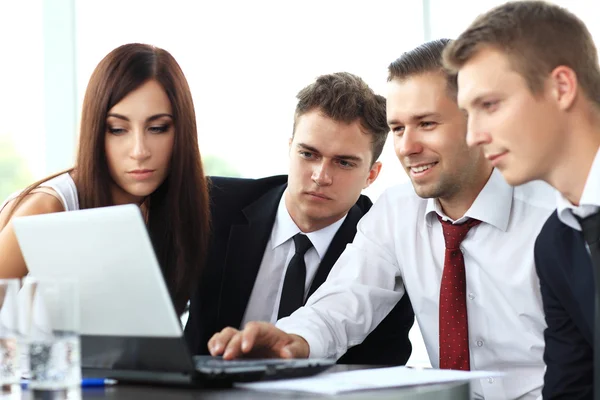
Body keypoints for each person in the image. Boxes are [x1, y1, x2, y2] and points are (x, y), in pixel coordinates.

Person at [208, 39, 556, 399]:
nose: (406, 147)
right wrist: (291, 340)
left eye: (426, 123)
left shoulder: (558, 215)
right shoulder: (397, 210)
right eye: (399, 128)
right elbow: (342, 302)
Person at [184, 72, 414, 365]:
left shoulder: (388, 244)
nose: (321, 176)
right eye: (308, 154)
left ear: (372, 174)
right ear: (290, 148)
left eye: (344, 162)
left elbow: (383, 371)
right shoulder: (211, 204)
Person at [443, 1, 600, 397]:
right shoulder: (557, 243)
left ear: (561, 87)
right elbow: (571, 389)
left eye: (490, 105)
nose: (473, 136)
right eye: (468, 113)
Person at [0, 43, 210, 316]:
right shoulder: (47, 209)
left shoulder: (174, 210)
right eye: (118, 129)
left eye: (157, 128)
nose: (139, 151)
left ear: (181, 132)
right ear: (96, 131)